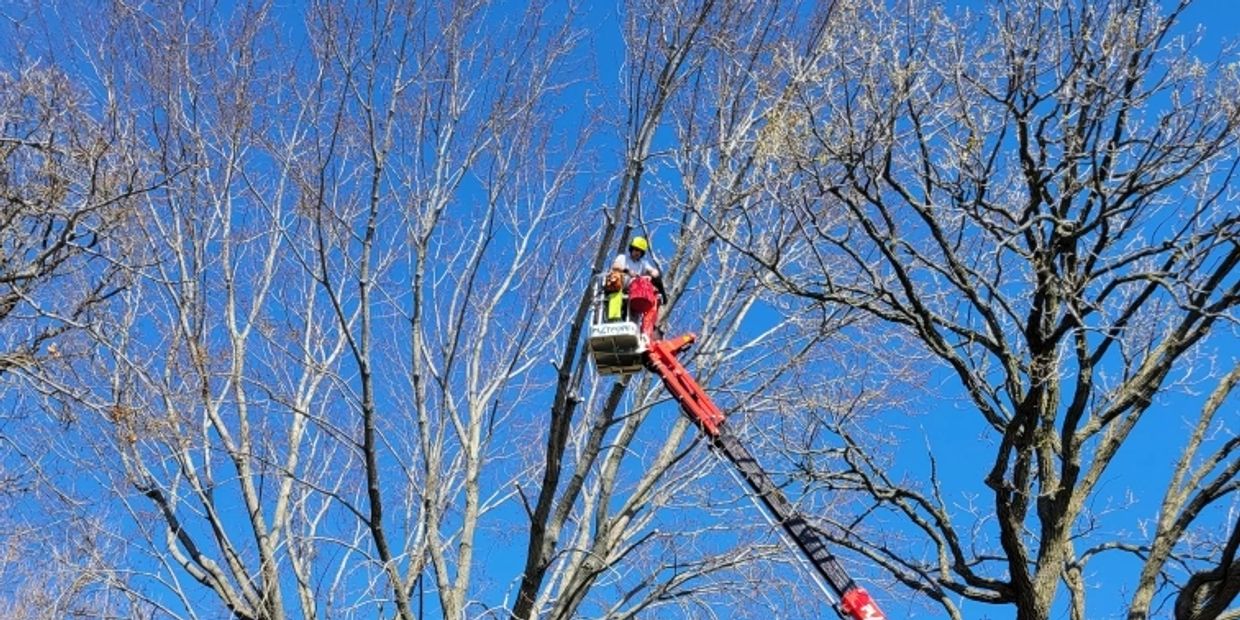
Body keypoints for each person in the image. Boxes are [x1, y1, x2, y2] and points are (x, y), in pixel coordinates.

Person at [606, 236, 667, 324]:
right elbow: (615, 266)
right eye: (636, 250)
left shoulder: (643, 263)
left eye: (640, 251)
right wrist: (627, 271)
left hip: (633, 290)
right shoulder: (623, 258)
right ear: (631, 249)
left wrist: (652, 275)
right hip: (619, 286)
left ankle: (639, 323)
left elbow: (654, 271)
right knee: (616, 279)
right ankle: (614, 319)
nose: (637, 253)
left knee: (647, 291)